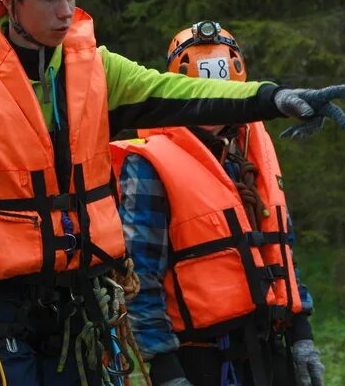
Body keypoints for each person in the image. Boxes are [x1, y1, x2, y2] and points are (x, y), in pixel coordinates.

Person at [0, 0, 345, 385]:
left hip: (80, 302)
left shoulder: (97, 69)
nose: (65, 11)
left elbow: (182, 93)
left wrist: (273, 98)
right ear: (9, 0)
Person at [109, 22, 326, 386]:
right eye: (205, 93)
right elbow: (139, 278)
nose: (218, 104)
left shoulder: (251, 153)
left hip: (269, 346)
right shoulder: (150, 163)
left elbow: (281, 250)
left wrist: (301, 335)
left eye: (227, 92)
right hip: (201, 359)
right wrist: (163, 368)